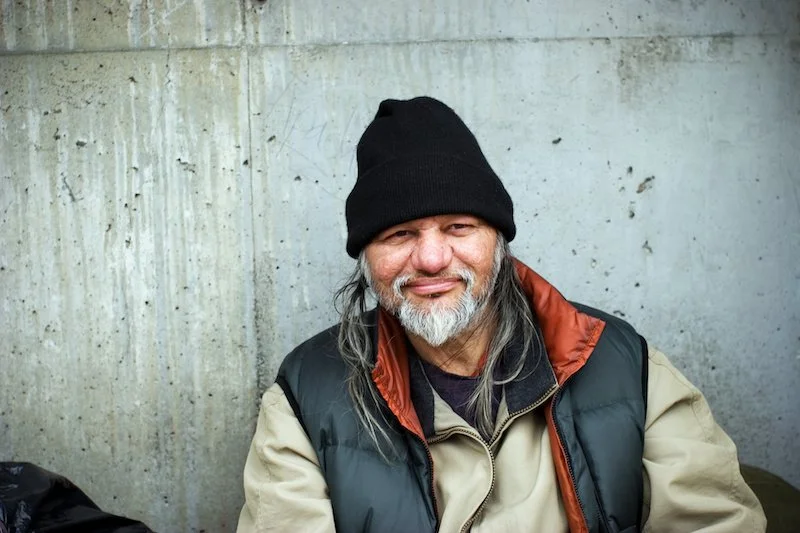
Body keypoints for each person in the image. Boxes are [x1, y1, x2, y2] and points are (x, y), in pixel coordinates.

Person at [237, 96, 766, 532]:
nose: (431, 258)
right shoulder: (305, 396)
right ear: (367, 259)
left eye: (458, 227)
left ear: (498, 241)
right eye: (399, 234)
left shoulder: (622, 365)